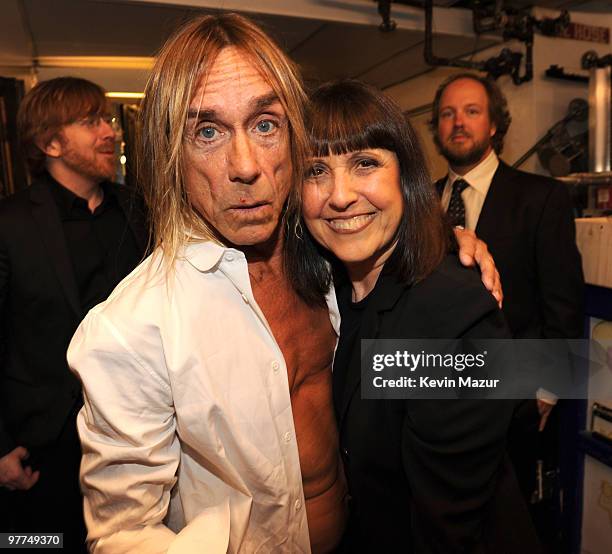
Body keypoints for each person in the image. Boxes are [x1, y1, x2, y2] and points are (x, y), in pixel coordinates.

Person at [67, 14, 501, 554]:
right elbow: (122, 535)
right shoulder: (132, 329)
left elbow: (492, 393)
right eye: (207, 131)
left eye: (266, 125)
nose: (245, 165)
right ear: (169, 153)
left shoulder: (329, 264)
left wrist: (447, 251)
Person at [300, 78, 540, 553]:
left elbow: (447, 530)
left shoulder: (449, 318)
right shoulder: (337, 291)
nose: (340, 195)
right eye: (315, 171)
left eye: (364, 163)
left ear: (406, 177)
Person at [0, 77, 147, 551]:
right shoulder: (10, 223)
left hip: (136, 434)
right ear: (51, 143)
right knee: (35, 543)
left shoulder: (139, 211)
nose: (110, 131)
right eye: (91, 121)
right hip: (44, 445)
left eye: (107, 119)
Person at [430, 74, 584, 522]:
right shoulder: (420, 205)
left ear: (494, 124)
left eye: (472, 112)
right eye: (447, 113)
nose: (458, 123)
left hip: (512, 402)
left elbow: (563, 302)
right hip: (435, 395)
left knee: (510, 523)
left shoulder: (541, 198)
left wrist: (548, 389)